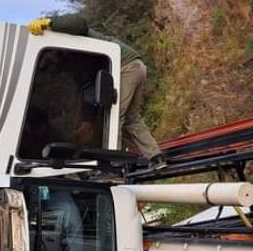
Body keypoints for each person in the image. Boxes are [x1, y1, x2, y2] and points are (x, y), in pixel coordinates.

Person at [28, 14, 166, 169]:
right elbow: (88, 89)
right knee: (131, 119)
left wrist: (50, 23)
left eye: (48, 60)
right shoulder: (72, 65)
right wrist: (87, 120)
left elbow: (79, 22)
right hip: (134, 65)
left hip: (125, 66)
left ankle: (111, 167)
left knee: (113, 117)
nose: (50, 65)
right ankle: (156, 158)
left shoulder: (68, 35)